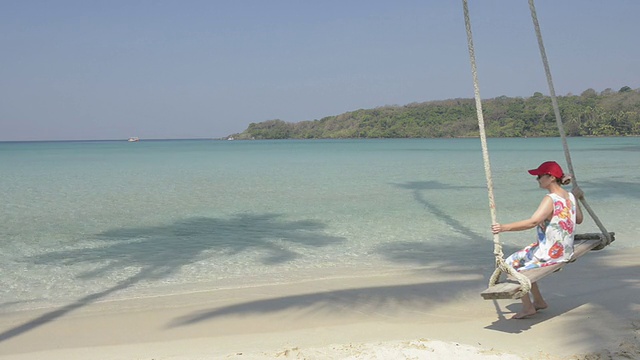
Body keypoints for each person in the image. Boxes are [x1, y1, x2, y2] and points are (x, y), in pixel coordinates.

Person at [491, 161, 584, 319]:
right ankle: (539, 302)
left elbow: (533, 221)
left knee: (510, 264)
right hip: (565, 250)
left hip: (550, 253)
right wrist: (578, 199)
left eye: (540, 176)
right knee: (525, 258)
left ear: (551, 177)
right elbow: (579, 219)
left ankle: (528, 308)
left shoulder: (550, 199)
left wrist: (503, 227)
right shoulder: (570, 196)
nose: (537, 179)